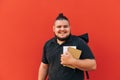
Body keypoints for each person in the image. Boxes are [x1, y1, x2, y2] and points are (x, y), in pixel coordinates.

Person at [38, 13, 96, 80]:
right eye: (59, 27)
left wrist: (73, 61)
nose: (62, 29)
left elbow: (92, 65)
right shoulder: (48, 44)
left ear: (70, 28)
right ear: (54, 28)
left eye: (65, 26)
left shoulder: (78, 42)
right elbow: (44, 66)